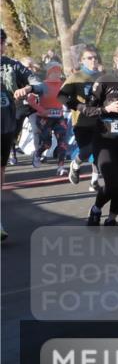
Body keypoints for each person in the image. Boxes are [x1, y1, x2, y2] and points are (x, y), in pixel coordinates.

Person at [85, 46, 118, 226]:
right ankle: (96, 208)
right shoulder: (104, 81)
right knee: (113, 182)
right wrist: (107, 109)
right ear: (116, 60)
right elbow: (88, 110)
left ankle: (112, 218)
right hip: (105, 140)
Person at [1, 29, 45, 239]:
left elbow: (40, 84)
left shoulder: (12, 65)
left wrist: (26, 89)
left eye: (0, 42)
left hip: (5, 127)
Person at [59, 46, 103, 190]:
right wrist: (79, 106)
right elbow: (61, 96)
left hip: (100, 121)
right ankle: (75, 164)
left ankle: (94, 182)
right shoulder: (76, 77)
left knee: (99, 151)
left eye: (95, 57)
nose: (93, 60)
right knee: (87, 151)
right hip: (82, 122)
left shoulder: (102, 77)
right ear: (82, 61)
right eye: (89, 58)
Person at [32, 64, 71, 175]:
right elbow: (30, 99)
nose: (57, 74)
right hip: (44, 118)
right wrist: (42, 110)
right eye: (54, 71)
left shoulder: (63, 85)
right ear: (49, 73)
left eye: (59, 71)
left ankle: (61, 167)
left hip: (59, 117)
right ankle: (38, 154)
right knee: (47, 143)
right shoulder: (42, 85)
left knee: (62, 142)